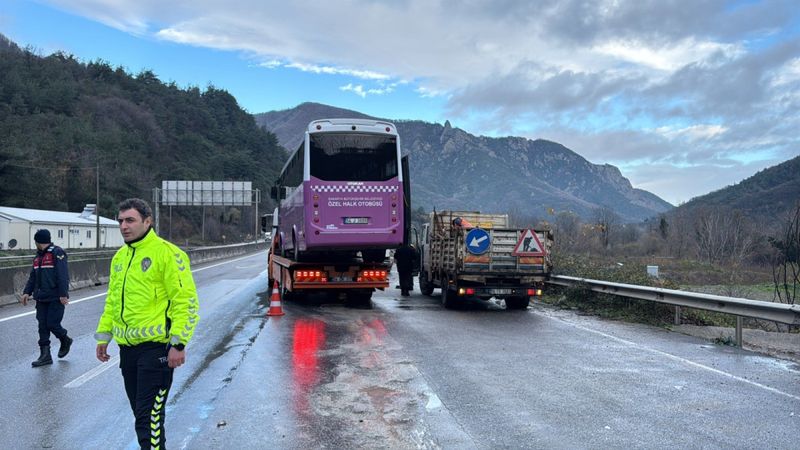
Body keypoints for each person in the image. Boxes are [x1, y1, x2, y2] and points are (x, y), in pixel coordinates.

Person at [94, 198, 199, 450]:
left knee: (148, 419)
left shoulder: (168, 254)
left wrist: (179, 343)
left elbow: (185, 302)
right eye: (120, 221)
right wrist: (103, 337)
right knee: (142, 416)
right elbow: (112, 302)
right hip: (128, 352)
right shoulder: (119, 258)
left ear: (148, 221)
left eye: (130, 220)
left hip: (157, 351)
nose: (123, 226)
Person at [21, 229, 72, 367]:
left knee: (52, 324)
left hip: (55, 297)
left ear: (37, 241)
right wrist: (27, 292)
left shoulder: (57, 252)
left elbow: (62, 274)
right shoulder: (37, 257)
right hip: (41, 298)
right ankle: (45, 355)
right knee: (42, 326)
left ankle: (65, 339)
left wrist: (63, 294)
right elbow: (33, 277)